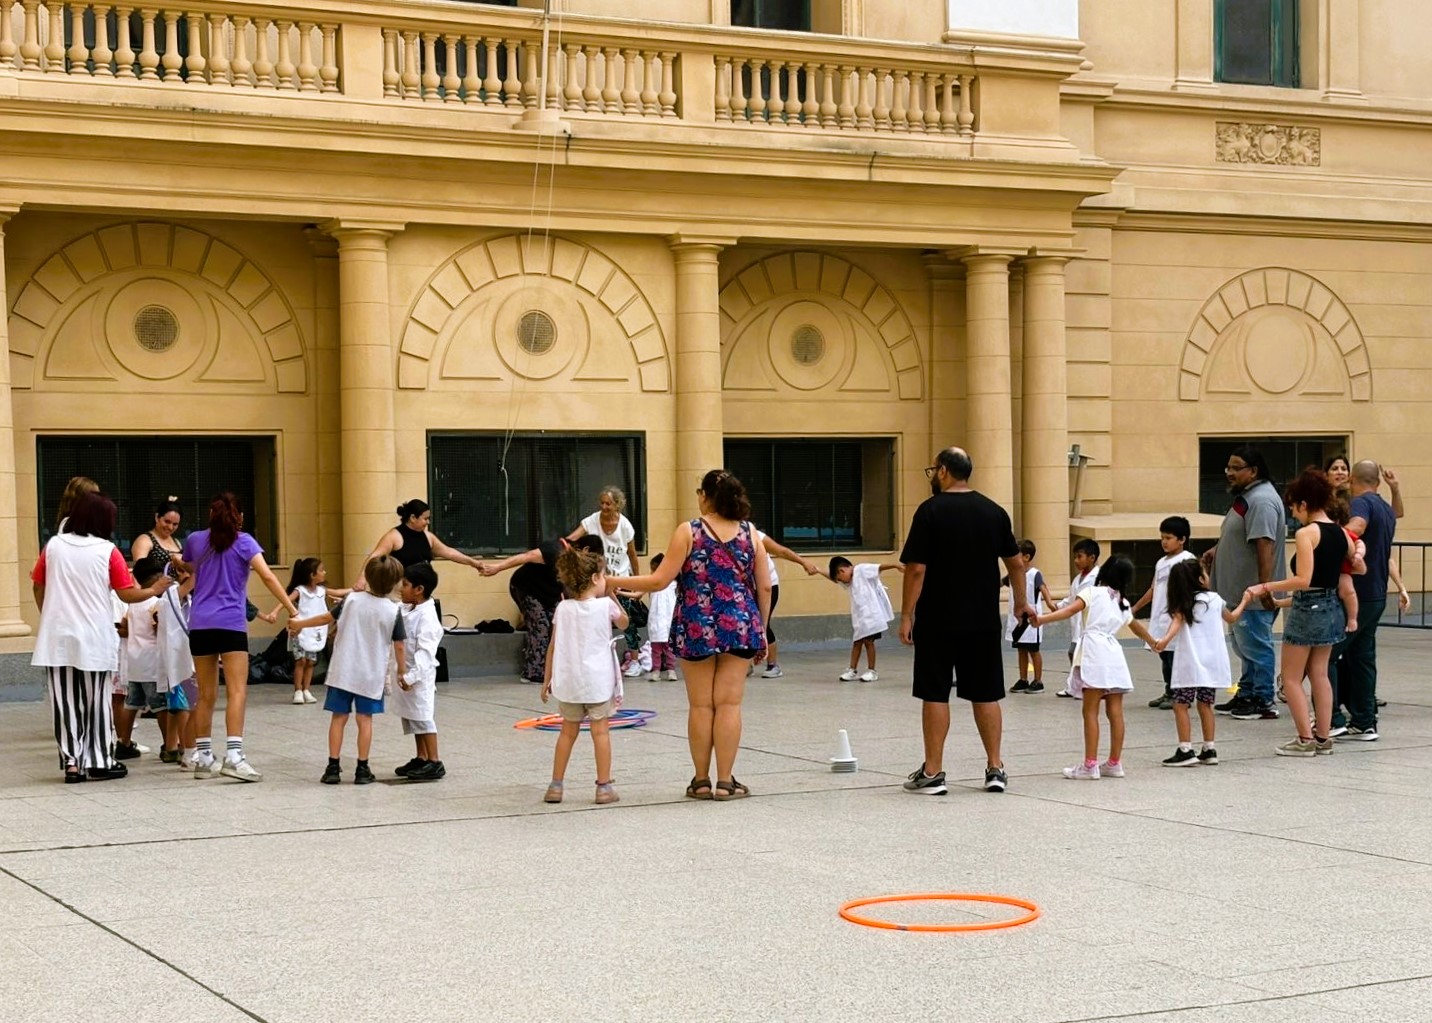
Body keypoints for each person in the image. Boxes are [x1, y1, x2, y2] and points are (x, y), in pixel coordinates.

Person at [621, 469, 771, 801]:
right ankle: (725, 781)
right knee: (729, 703)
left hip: (696, 625)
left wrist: (614, 582)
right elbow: (764, 585)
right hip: (740, 623)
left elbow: (660, 581)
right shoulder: (751, 534)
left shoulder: (689, 531)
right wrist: (759, 628)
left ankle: (701, 780)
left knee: (701, 706)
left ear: (704, 495)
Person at [899, 447, 1026, 796]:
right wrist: (1020, 604)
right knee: (986, 693)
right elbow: (1016, 563)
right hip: (983, 619)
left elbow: (916, 569)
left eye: (932, 471)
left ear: (942, 471)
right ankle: (995, 768)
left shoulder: (930, 511)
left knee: (935, 692)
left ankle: (933, 772)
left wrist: (907, 613)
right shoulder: (993, 511)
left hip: (937, 619)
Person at [31, 492, 173, 783]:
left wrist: (49, 615)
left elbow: (38, 584)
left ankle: (72, 763)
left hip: (57, 636)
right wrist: (155, 589)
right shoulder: (108, 551)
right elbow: (127, 593)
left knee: (65, 703)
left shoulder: (54, 546)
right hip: (94, 636)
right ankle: (98, 761)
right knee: (97, 701)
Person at [176, 492, 297, 782]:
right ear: (239, 517)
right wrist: (292, 610)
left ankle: (204, 759)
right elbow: (268, 576)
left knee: (205, 694)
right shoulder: (245, 542)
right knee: (236, 691)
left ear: (210, 515)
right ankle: (234, 755)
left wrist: (179, 563)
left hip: (201, 623)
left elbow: (192, 567)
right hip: (230, 623)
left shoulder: (194, 540)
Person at [1247, 469, 1355, 757]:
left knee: (1291, 677)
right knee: (1320, 673)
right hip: (1332, 605)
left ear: (1304, 504)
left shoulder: (1308, 533)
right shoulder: (1342, 532)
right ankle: (1323, 736)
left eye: (1294, 507)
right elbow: (1355, 563)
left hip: (1308, 606)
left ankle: (1304, 739)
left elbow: (1303, 579)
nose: (1294, 514)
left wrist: (1265, 586)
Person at [1032, 556, 1157, 780]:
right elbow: (1136, 627)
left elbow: (1069, 611)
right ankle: (1114, 762)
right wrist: (1154, 642)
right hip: (1114, 655)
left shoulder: (1092, 592)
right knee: (1115, 712)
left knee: (1090, 711)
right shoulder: (1122, 602)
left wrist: (1041, 619)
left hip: (1094, 652)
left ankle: (1090, 765)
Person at [291, 556, 407, 785]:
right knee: (365, 720)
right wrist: (401, 671)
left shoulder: (352, 600)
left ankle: (333, 766)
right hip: (370, 675)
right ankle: (362, 768)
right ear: (395, 582)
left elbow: (326, 617)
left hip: (343, 670)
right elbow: (400, 645)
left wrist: (300, 624)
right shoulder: (393, 611)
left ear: (369, 577)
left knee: (338, 718)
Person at [1203, 445, 1285, 722]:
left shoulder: (1261, 500)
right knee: (1245, 646)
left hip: (1252, 595)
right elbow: (1241, 534)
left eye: (1236, 468)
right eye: (1228, 467)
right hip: (1240, 594)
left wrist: (1264, 588)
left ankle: (1263, 699)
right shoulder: (1248, 497)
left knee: (1257, 646)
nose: (1229, 473)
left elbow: (1265, 545)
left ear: (1253, 471)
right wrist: (1219, 548)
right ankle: (1247, 691)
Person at [541, 544, 627, 805]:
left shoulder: (562, 608)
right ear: (594, 579)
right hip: (597, 682)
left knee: (567, 733)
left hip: (569, 682)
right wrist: (612, 596)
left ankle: (555, 785)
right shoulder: (604, 607)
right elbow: (624, 621)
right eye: (603, 576)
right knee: (600, 733)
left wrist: (547, 680)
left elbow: (553, 647)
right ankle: (603, 787)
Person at [1153, 560, 1253, 766]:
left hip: (1190, 662)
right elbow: (1232, 617)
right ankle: (1209, 748)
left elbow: (1175, 625)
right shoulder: (1215, 599)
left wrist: (1163, 641)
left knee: (1181, 705)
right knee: (1205, 704)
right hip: (1211, 662)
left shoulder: (1184, 603)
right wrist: (1245, 600)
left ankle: (1185, 749)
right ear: (1200, 579)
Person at [1332, 460, 1398, 741]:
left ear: (1352, 480)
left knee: (1327, 656)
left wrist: (1326, 537)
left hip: (1355, 593)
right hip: (1377, 593)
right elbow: (1399, 512)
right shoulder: (1385, 506)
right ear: (1378, 482)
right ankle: (1365, 721)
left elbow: (1356, 527)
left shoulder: (1361, 504)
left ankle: (1332, 718)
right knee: (1363, 658)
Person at [568, 486, 647, 677]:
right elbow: (572, 538)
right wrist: (564, 547)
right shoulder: (592, 520)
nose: (604, 507)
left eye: (608, 504)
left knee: (625, 618)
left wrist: (637, 582)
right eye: (602, 503)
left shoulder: (625, 526)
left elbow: (632, 554)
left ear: (617, 505)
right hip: (597, 579)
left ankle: (635, 659)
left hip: (619, 578)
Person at [1131, 516, 1196, 710]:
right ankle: (1169, 690)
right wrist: (1135, 608)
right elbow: (1154, 589)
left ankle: (1182, 694)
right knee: (1165, 656)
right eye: (1162, 537)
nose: (1164, 542)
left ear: (1182, 539)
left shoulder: (1187, 560)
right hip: (1160, 618)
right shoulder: (1161, 562)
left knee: (1177, 657)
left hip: (1177, 618)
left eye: (1169, 537)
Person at [481, 538, 566, 684]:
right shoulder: (554, 550)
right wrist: (498, 567)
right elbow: (526, 556)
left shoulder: (582, 565)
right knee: (540, 626)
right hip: (526, 588)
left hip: (550, 593)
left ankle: (553, 668)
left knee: (558, 625)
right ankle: (532, 672)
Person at [270, 558, 349, 706]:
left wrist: (356, 589)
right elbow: (285, 600)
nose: (324, 572)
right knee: (300, 661)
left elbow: (338, 592)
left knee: (311, 662)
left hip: (315, 632)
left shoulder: (322, 591)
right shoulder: (300, 590)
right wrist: (274, 612)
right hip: (299, 631)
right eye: (321, 570)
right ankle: (298, 690)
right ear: (312, 575)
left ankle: (307, 689)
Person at [393, 562, 446, 781]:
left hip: (419, 676)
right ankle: (421, 756)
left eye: (405, 585)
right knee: (412, 716)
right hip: (406, 674)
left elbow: (426, 654)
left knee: (424, 716)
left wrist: (411, 676)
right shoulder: (406, 608)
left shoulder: (428, 617)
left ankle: (434, 761)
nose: (400, 588)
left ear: (419, 589)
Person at [356, 499, 485, 588]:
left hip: (422, 594)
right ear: (413, 518)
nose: (428, 522)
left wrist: (474, 563)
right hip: (399, 592)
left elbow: (450, 553)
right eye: (425, 519)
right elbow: (374, 557)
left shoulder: (429, 537)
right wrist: (362, 579)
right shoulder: (394, 537)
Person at [114, 561, 168, 761]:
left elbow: (124, 627)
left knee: (132, 703)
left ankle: (124, 742)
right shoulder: (156, 603)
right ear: (156, 578)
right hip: (152, 663)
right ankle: (168, 744)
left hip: (134, 662)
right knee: (161, 706)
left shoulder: (134, 603)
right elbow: (159, 629)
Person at [752, 529, 821, 679]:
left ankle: (773, 665)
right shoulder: (722, 536)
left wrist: (803, 562)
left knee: (762, 623)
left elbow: (782, 551)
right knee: (743, 624)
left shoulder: (755, 534)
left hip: (768, 585)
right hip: (745, 587)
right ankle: (745, 664)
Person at [827, 556, 901, 682]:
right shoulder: (849, 583)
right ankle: (852, 670)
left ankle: (872, 671)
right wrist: (818, 571)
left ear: (842, 571)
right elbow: (833, 579)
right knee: (857, 643)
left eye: (840, 579)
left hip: (872, 616)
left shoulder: (861, 570)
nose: (841, 582)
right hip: (860, 619)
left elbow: (878, 567)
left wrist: (895, 565)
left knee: (868, 642)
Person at [156, 565, 198, 767]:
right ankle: (187, 751)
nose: (187, 576)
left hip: (180, 661)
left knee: (175, 706)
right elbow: (194, 580)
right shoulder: (170, 595)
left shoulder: (184, 600)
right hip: (177, 663)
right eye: (182, 571)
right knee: (184, 707)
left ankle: (171, 747)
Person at [1005, 539, 1055, 694]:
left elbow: (1043, 588)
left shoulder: (1035, 574)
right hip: (1017, 620)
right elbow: (1000, 582)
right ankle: (1023, 679)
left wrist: (1050, 603)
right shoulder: (1013, 574)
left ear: (1026, 557)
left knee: (1033, 650)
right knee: (1021, 650)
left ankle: (1038, 680)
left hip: (1031, 618)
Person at [1056, 539, 1101, 698]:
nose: (1076, 560)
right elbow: (1071, 598)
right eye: (1075, 557)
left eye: (1079, 556)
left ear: (1092, 557)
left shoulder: (1098, 578)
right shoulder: (1078, 579)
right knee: (1074, 654)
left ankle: (1088, 687)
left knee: (1080, 655)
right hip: (1078, 624)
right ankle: (1075, 686)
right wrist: (1058, 606)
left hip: (1090, 624)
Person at [129, 496, 184, 581]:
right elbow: (139, 573)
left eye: (175, 524)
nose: (170, 527)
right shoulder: (144, 540)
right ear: (157, 517)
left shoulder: (176, 542)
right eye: (167, 521)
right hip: (155, 591)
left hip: (178, 591)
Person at [645, 552, 679, 681]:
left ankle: (671, 670)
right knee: (656, 650)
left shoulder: (672, 583)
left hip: (668, 620)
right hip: (655, 621)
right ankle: (656, 670)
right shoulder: (651, 584)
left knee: (669, 649)